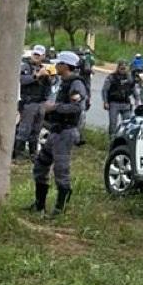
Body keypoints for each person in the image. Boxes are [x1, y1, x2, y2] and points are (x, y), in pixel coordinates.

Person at [31, 50, 87, 217]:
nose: (55, 66)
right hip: (55, 131)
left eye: (58, 63)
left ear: (65, 66)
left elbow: (77, 107)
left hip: (65, 132)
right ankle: (39, 204)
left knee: (61, 171)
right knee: (41, 166)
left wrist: (54, 108)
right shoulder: (62, 82)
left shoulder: (76, 84)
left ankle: (59, 209)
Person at [14, 45, 51, 160]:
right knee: (25, 129)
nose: (36, 57)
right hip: (28, 103)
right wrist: (36, 76)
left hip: (40, 103)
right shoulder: (25, 67)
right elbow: (21, 80)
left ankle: (33, 153)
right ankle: (17, 153)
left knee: (36, 130)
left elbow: (48, 87)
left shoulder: (44, 68)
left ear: (43, 56)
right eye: (35, 54)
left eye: (39, 55)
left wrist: (48, 78)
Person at [102, 59, 135, 135]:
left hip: (126, 103)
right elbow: (105, 90)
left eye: (125, 67)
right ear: (118, 67)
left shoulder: (129, 78)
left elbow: (133, 89)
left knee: (127, 125)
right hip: (114, 103)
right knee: (113, 124)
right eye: (121, 67)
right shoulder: (111, 77)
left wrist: (137, 100)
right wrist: (105, 102)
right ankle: (111, 140)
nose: (123, 69)